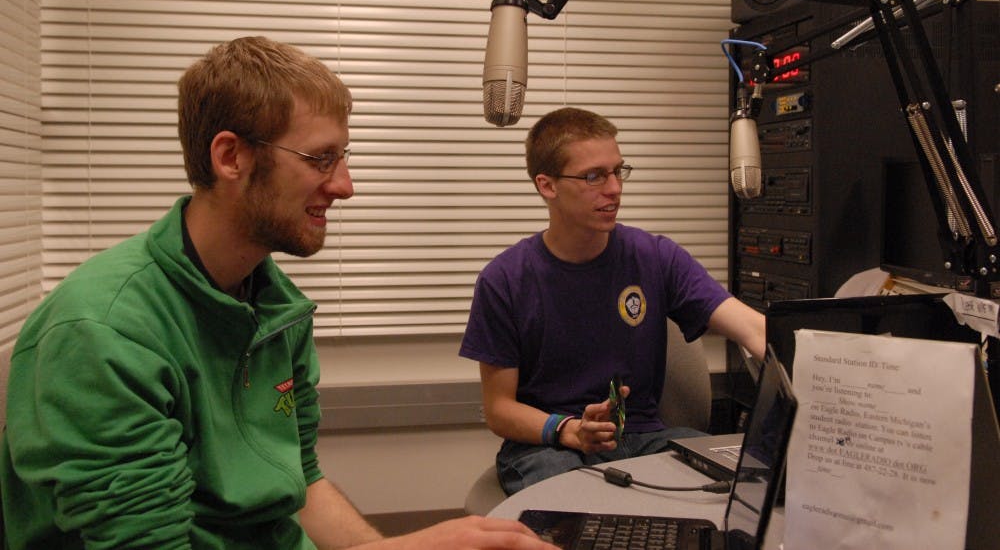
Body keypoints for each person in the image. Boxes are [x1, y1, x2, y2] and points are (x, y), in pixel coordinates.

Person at [0, 36, 558, 550]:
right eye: (320, 158)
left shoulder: (275, 307)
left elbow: (299, 484)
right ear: (230, 157)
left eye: (343, 157)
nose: (344, 185)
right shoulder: (104, 333)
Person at [459, 106, 765, 495]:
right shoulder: (504, 280)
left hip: (641, 437)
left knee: (745, 481)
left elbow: (753, 329)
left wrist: (814, 366)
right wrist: (567, 429)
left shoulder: (656, 257)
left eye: (618, 171)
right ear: (547, 185)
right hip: (549, 446)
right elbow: (499, 409)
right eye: (594, 176)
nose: (614, 188)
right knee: (579, 512)